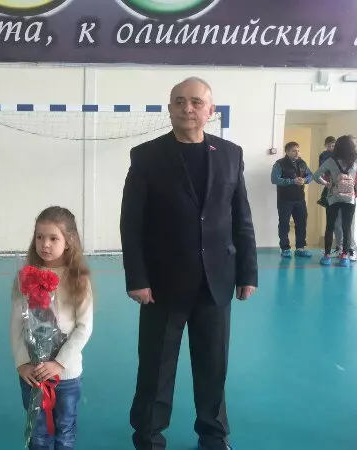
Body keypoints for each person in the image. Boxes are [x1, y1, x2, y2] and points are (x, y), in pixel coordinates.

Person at [120, 77, 258, 450]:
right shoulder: (146, 156)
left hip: (216, 282)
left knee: (213, 367)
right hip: (162, 284)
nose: (187, 108)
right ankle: (149, 437)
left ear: (210, 110)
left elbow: (241, 218)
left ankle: (213, 436)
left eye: (196, 102)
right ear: (169, 108)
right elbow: (131, 223)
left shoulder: (230, 154)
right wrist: (137, 277)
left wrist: (247, 272)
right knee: (156, 369)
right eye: (179, 101)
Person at [10, 206, 94, 450]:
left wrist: (59, 363)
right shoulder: (24, 277)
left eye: (53, 238)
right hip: (33, 373)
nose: (45, 244)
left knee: (64, 429)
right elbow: (16, 324)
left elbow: (84, 327)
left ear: (68, 242)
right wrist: (22, 362)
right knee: (38, 433)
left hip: (66, 375)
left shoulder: (78, 279)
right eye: (39, 237)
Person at [313, 134, 357, 267]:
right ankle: (344, 257)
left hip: (333, 197)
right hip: (349, 198)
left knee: (330, 226)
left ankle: (327, 256)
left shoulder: (330, 161)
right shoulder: (354, 162)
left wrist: (326, 184)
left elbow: (316, 176)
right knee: (347, 227)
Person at [270, 141, 313, 258]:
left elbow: (310, 175)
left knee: (301, 223)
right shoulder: (279, 164)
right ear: (287, 151)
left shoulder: (302, 163)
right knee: (284, 224)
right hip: (285, 199)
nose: (297, 153)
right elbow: (274, 179)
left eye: (298, 150)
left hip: (300, 199)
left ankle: (300, 248)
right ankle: (285, 248)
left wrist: (305, 180)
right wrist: (292, 181)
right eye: (294, 151)